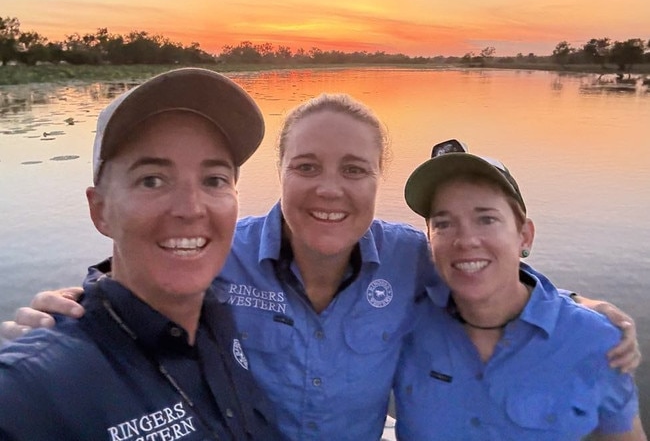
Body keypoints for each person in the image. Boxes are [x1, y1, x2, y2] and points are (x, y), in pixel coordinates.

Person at [0, 96, 642, 440]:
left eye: (354, 170)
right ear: (278, 176)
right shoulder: (223, 251)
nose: (329, 190)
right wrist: (71, 313)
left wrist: (576, 308)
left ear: (376, 182)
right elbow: (148, 272)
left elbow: (480, 266)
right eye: (306, 167)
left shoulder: (409, 256)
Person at [0, 68, 284, 440]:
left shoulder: (222, 316)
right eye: (152, 180)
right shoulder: (34, 387)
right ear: (100, 210)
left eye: (214, 180)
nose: (191, 208)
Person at [394, 139, 647, 440]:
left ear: (524, 236)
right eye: (444, 223)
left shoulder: (597, 341)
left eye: (486, 219)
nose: (465, 240)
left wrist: (584, 307)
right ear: (429, 240)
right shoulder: (404, 320)